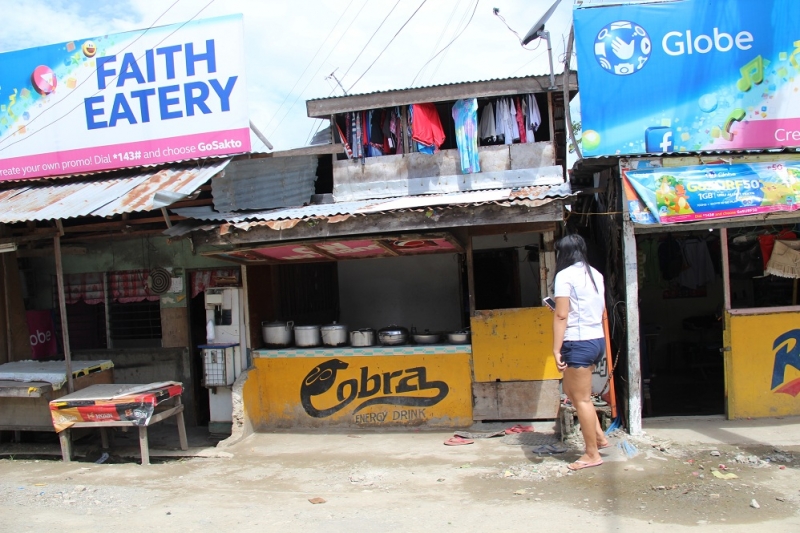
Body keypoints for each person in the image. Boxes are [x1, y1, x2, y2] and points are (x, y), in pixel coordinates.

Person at [551, 234, 609, 471]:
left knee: (581, 398)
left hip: (578, 341)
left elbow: (561, 315)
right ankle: (600, 438)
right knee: (574, 393)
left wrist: (556, 349)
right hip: (596, 340)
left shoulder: (564, 275)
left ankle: (591, 454)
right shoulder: (595, 274)